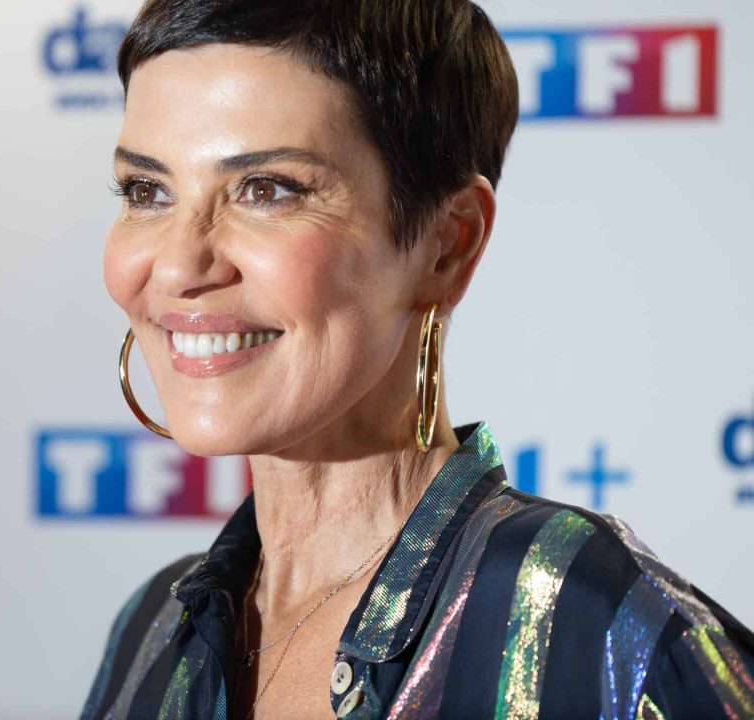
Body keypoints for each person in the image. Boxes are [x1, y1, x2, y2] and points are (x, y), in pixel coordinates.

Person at [81, 1, 754, 718]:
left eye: (266, 190)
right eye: (147, 191)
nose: (178, 266)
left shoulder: (592, 623)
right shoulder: (153, 630)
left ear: (447, 244)